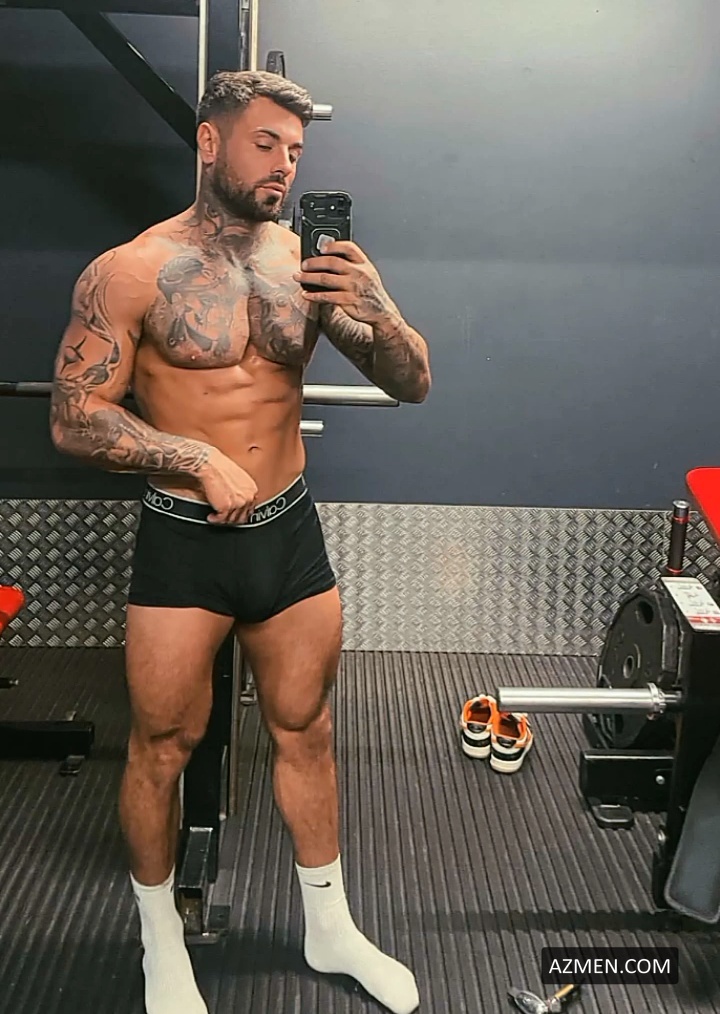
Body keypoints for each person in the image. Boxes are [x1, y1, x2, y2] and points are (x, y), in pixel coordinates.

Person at [49, 70, 431, 1014]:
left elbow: (412, 382)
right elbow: (73, 417)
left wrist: (379, 307)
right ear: (211, 142)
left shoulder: (307, 265)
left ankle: (330, 927)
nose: (285, 166)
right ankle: (160, 941)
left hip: (287, 534)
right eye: (266, 144)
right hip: (186, 540)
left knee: (307, 729)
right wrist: (189, 455)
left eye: (296, 151)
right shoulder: (130, 270)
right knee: (161, 745)